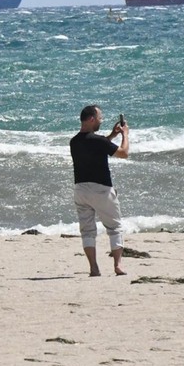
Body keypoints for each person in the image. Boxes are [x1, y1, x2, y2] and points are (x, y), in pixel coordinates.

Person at [70, 105, 129, 277]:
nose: (101, 121)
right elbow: (123, 153)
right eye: (100, 118)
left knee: (87, 230)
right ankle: (118, 266)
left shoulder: (74, 141)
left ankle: (94, 268)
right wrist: (125, 135)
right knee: (115, 227)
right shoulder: (98, 141)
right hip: (101, 189)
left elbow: (96, 147)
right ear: (91, 119)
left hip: (81, 189)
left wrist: (112, 135)